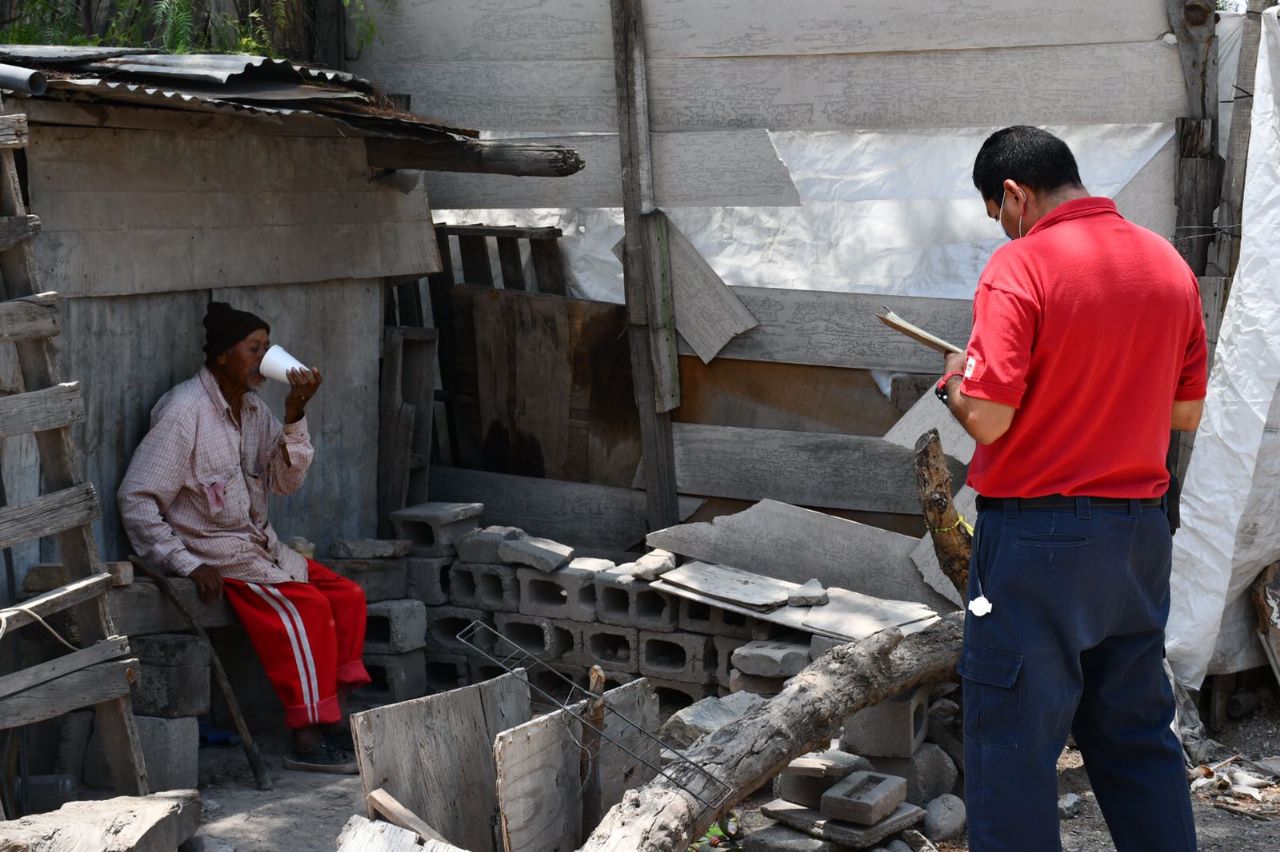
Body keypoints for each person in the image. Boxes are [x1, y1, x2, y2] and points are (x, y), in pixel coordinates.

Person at [936, 126, 1206, 851]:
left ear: (1015, 194)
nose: (1003, 228)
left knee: (1013, 745)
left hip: (1038, 542)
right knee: (1136, 735)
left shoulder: (1020, 264)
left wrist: (954, 382)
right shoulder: (1167, 265)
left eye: (999, 213)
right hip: (1138, 537)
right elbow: (1185, 412)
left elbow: (988, 419)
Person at [119, 302, 371, 774]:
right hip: (215, 554)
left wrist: (294, 414)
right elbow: (136, 499)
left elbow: (283, 482)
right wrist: (186, 563)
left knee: (346, 597)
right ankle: (307, 736)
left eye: (266, 348)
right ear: (222, 355)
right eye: (254, 349)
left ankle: (333, 718)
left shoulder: (253, 409)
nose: (263, 358)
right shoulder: (184, 412)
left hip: (259, 547)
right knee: (309, 608)